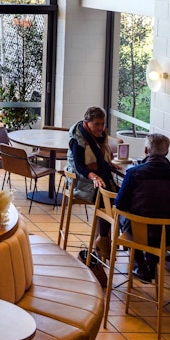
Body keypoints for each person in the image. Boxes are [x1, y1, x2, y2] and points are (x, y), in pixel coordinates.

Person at [113, 133, 170, 282]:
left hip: (140, 233)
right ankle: (150, 264)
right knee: (158, 218)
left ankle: (141, 265)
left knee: (130, 218)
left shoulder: (133, 173)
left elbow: (120, 204)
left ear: (145, 151)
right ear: (167, 152)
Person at [68, 106, 118, 260]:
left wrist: (108, 164)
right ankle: (103, 239)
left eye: (102, 124)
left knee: (117, 195)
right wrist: (94, 177)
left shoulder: (100, 137)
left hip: (96, 176)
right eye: (96, 124)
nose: (100, 128)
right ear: (86, 122)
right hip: (81, 181)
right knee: (105, 195)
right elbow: (80, 166)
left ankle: (103, 239)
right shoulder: (79, 140)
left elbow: (99, 159)